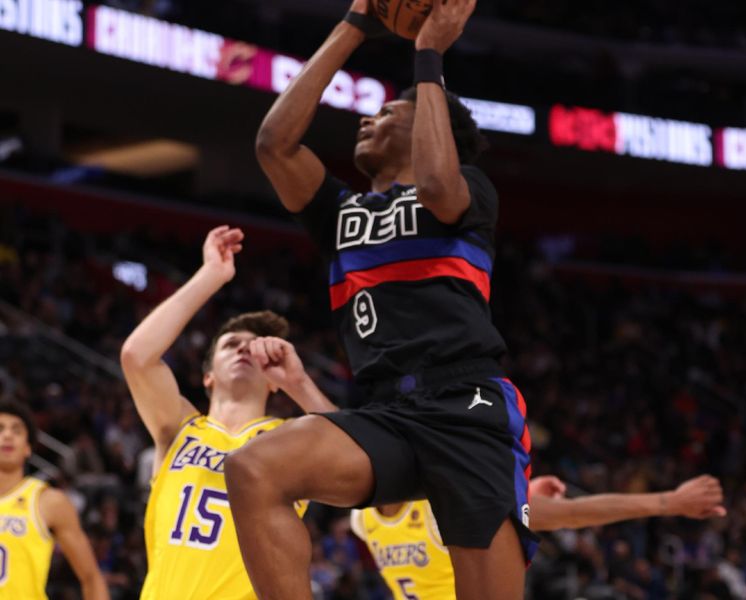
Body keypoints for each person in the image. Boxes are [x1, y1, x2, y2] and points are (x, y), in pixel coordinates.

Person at [224, 0, 538, 598]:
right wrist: (355, 24)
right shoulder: (339, 211)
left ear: (430, 125)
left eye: (388, 111)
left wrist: (429, 57)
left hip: (467, 405)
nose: (367, 121)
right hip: (383, 413)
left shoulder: (469, 190)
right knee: (253, 467)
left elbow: (440, 185)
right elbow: (274, 144)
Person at [120, 226, 330, 600]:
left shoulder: (290, 437)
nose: (244, 350)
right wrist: (211, 275)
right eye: (231, 344)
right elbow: (137, 356)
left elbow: (353, 448)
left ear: (272, 382)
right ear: (208, 376)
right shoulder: (179, 427)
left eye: (255, 347)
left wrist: (300, 384)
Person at [350, 474, 726, 600]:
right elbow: (576, 513)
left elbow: (346, 433)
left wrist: (521, 491)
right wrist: (669, 501)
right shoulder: (443, 509)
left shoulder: (362, 516)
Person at [0, 400, 109, 600]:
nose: (7, 435)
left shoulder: (49, 502)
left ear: (28, 448)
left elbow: (91, 577)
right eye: (0, 429)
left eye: (16, 431)